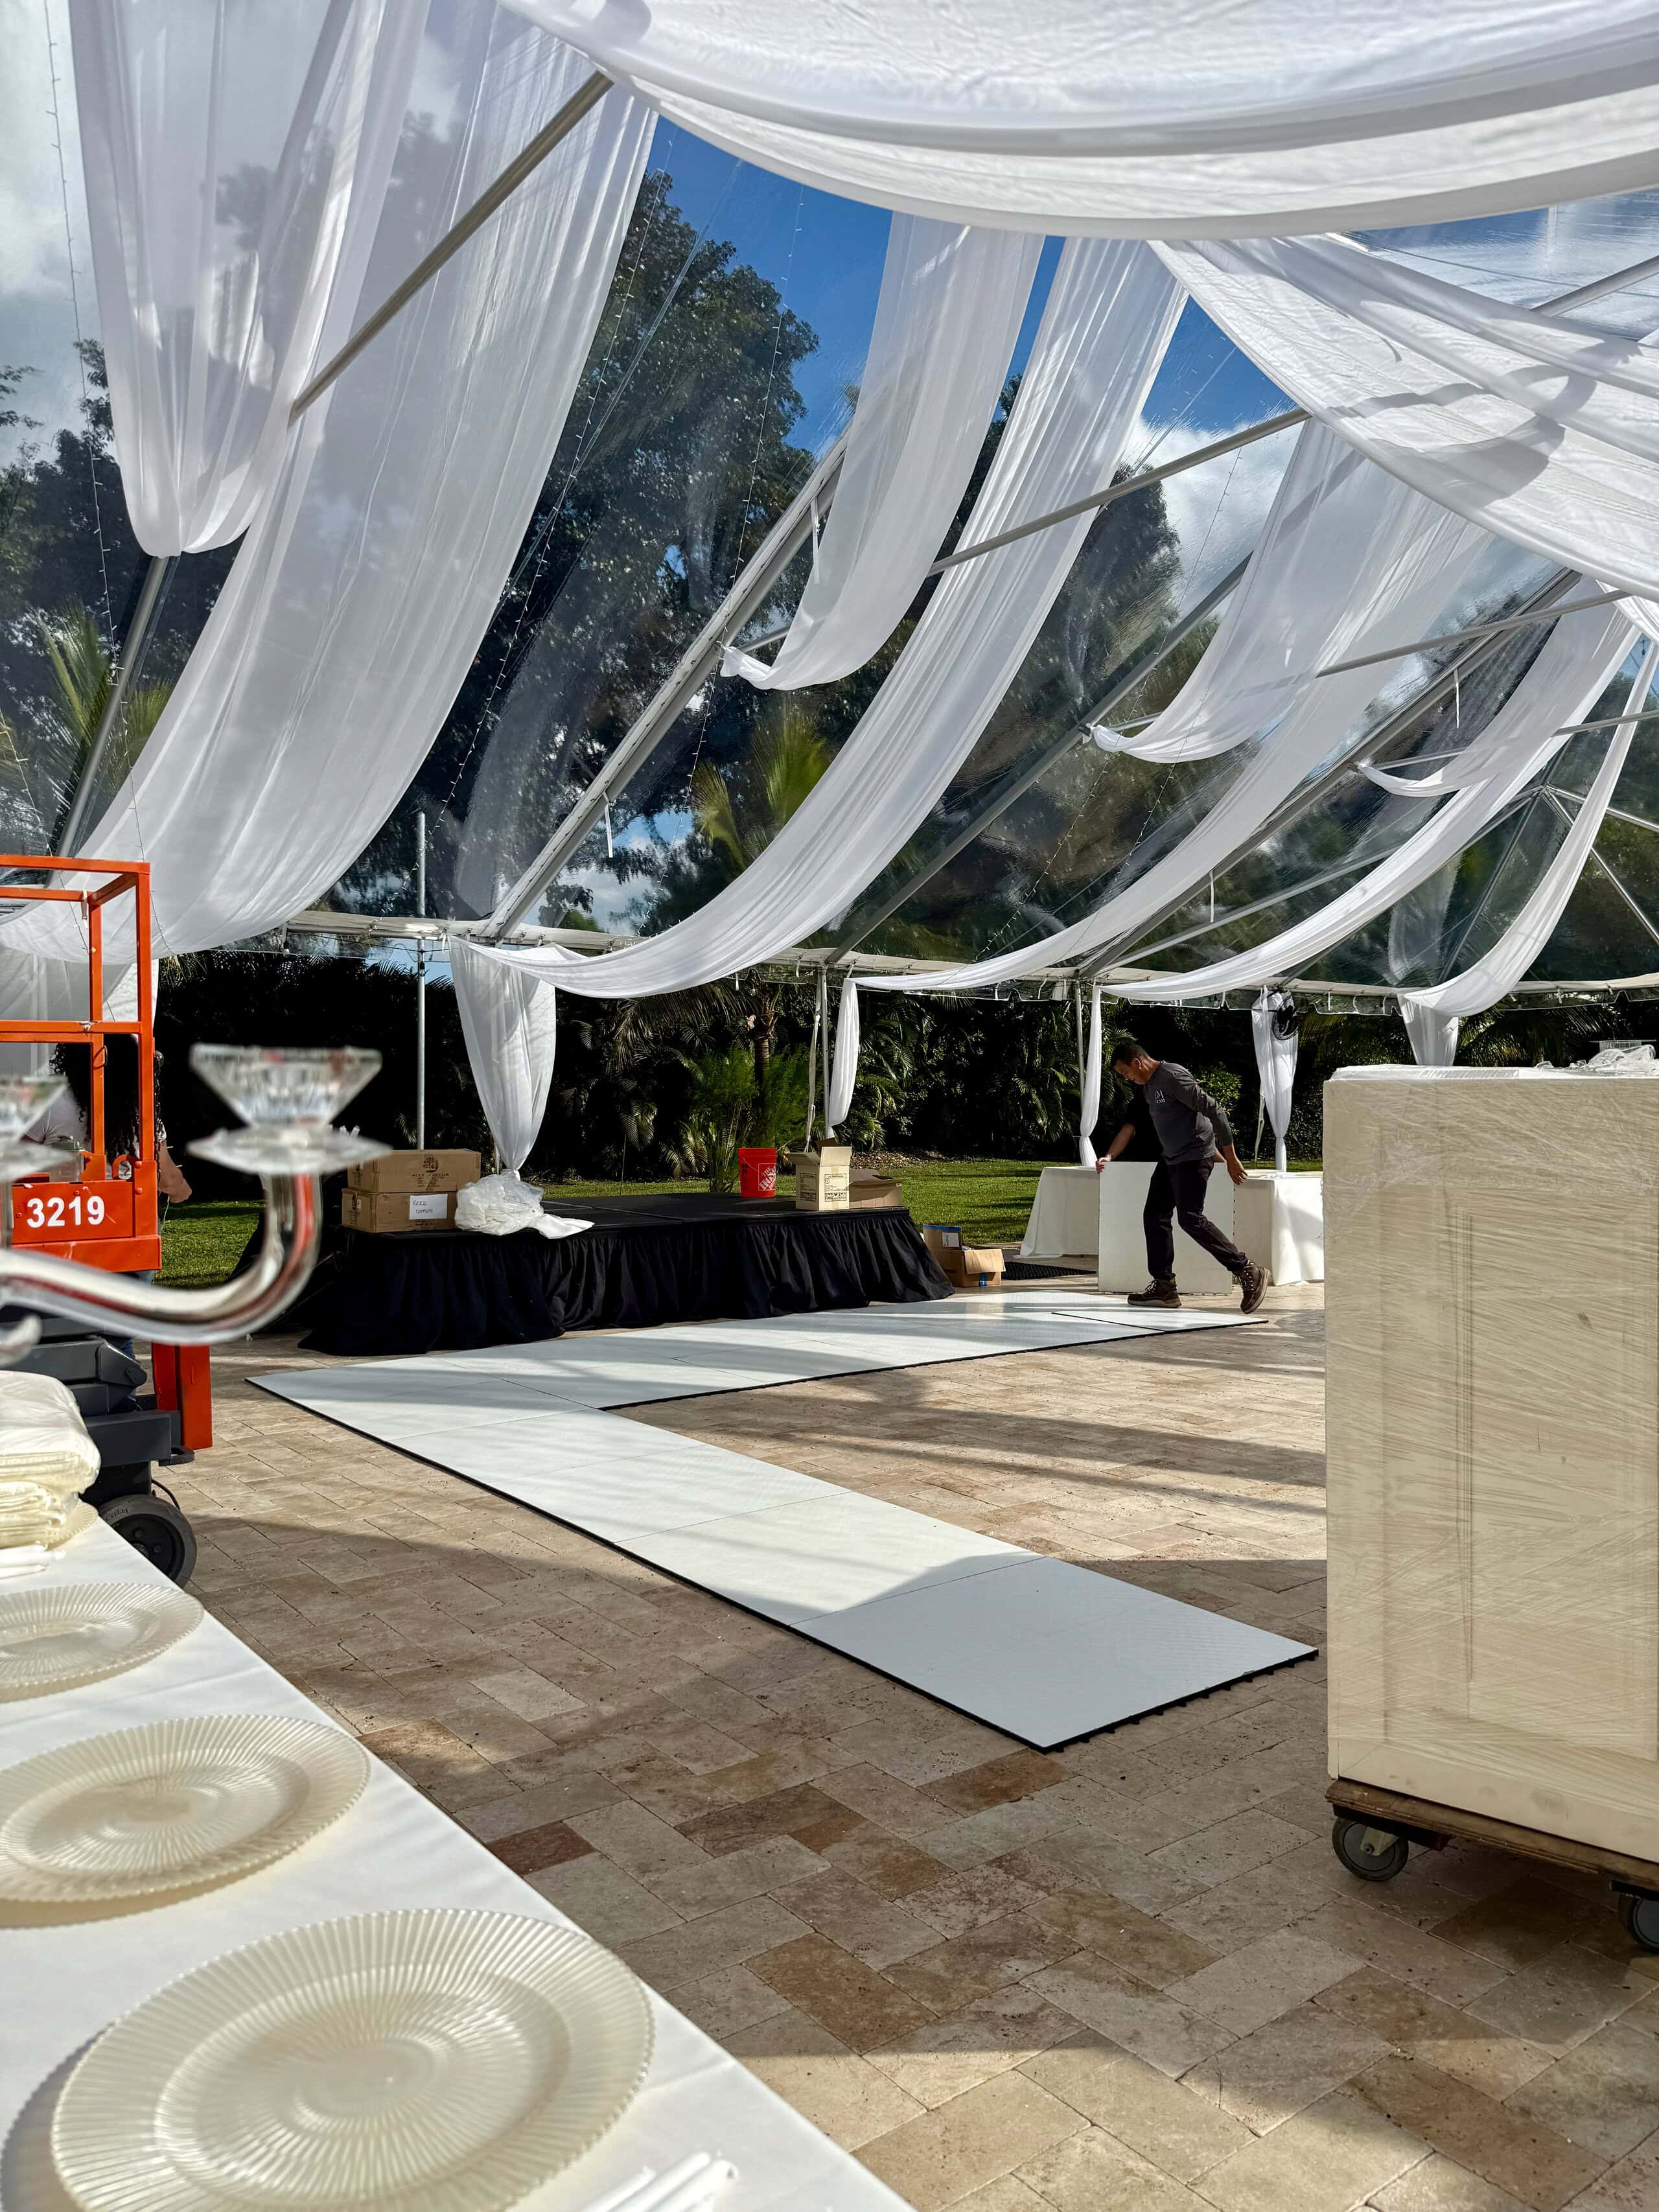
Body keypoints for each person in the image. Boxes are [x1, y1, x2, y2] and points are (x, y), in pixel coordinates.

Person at [1107, 1036, 1265, 1314]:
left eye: (1125, 1072)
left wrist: (1230, 1158)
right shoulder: (1149, 1087)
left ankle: (1246, 1269)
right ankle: (1164, 1286)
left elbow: (1214, 1111)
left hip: (1193, 1157)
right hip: (1171, 1159)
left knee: (1191, 1219)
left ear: (1137, 1063)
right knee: (1154, 1215)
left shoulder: (1172, 1076)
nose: (1126, 1078)